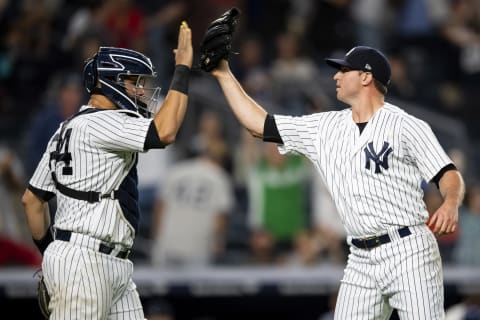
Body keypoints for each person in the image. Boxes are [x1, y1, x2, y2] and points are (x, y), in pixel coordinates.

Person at [208, 46, 465, 319]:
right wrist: (224, 74)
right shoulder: (324, 127)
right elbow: (258, 125)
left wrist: (450, 203)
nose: (335, 76)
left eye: (344, 70)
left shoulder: (407, 126)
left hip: (408, 250)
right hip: (360, 256)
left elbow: (448, 174)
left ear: (366, 77)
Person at [21, 20, 192, 319]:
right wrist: (182, 68)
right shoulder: (103, 122)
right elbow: (165, 131)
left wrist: (50, 252)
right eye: (133, 82)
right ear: (111, 82)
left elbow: (32, 201)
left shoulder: (66, 128)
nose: (141, 91)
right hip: (85, 262)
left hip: (107, 264)